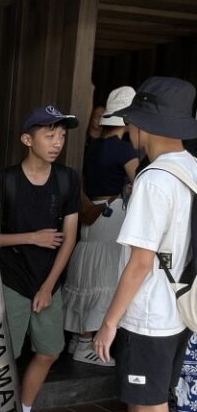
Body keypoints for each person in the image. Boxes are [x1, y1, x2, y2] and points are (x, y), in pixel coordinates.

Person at [89, 77, 197, 412]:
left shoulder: (154, 181)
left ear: (144, 126)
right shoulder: (191, 168)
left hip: (150, 313)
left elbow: (139, 263)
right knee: (146, 396)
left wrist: (109, 321)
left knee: (152, 409)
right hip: (180, 308)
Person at [0, 105, 80, 412]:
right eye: (49, 135)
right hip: (12, 279)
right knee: (6, 356)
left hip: (49, 280)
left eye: (61, 135)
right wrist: (32, 238)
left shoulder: (67, 179)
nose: (57, 142)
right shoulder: (6, 181)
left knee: (48, 351)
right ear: (27, 140)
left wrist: (48, 287)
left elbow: (70, 236)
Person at [64, 87, 139, 364]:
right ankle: (87, 344)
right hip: (112, 214)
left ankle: (77, 339)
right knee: (105, 278)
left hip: (91, 214)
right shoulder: (124, 149)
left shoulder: (95, 146)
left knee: (87, 276)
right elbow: (140, 183)